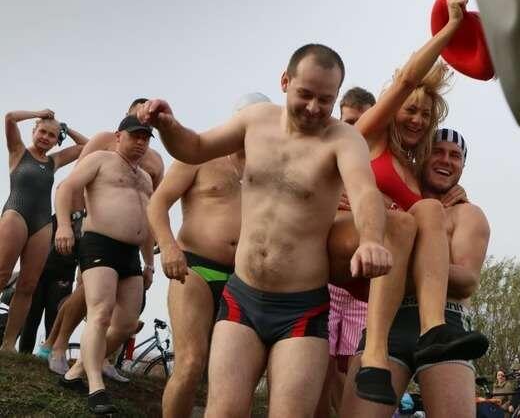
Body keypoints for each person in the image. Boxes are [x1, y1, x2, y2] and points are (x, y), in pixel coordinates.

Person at [138, 43, 394, 417]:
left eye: (325, 99)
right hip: (242, 297)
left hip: (301, 308)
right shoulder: (255, 121)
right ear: (285, 81)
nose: (314, 108)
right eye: (305, 94)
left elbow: (364, 191)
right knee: (221, 411)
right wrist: (168, 125)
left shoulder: (343, 139)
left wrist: (370, 240)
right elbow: (194, 147)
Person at [329, 0, 487, 405]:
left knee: (424, 211)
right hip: (351, 249)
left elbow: (434, 211)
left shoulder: (417, 178)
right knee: (402, 221)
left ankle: (434, 328)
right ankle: (376, 353)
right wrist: (450, 31)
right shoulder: (370, 139)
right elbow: (406, 80)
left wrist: (451, 198)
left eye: (425, 114)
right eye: (410, 110)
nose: (417, 119)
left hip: (385, 282)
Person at [342, 127, 491, 418]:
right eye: (437, 151)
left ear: (463, 166)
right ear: (421, 156)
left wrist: (405, 261)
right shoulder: (391, 203)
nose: (446, 160)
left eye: (455, 156)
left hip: (446, 320)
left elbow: (467, 281)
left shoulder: (467, 214)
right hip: (388, 322)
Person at [148, 92, 270, 418]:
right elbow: (158, 202)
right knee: (190, 362)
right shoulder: (198, 154)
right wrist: (169, 246)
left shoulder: (269, 170)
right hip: (196, 269)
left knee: (235, 378)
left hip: (245, 279)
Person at [45, 98, 163, 376]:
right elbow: (73, 183)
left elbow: (151, 204)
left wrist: (153, 247)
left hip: (131, 244)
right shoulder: (103, 142)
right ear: (127, 118)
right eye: (140, 114)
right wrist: (71, 223)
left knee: (120, 309)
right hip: (96, 232)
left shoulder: (155, 161)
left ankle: (102, 359)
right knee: (86, 293)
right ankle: (57, 345)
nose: (144, 119)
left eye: (150, 118)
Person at [0, 109, 87, 351]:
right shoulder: (18, 152)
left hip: (41, 223)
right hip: (16, 214)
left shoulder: (53, 161)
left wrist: (66, 130)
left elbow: (87, 146)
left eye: (52, 135)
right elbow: (9, 118)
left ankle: (8, 344)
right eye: (43, 132)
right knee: (2, 274)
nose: (46, 138)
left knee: (28, 285)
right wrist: (37, 113)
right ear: (34, 131)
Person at [316, 87, 375, 418]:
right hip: (328, 279)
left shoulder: (381, 163)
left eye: (364, 120)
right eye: (349, 121)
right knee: (318, 368)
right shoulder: (328, 156)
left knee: (350, 373)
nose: (356, 128)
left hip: (364, 287)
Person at [18, 213, 83, 355]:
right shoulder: (53, 218)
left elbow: (85, 256)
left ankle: (49, 355)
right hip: (39, 274)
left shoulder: (83, 222)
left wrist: (79, 287)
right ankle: (24, 354)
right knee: (31, 317)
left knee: (54, 318)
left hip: (63, 277)